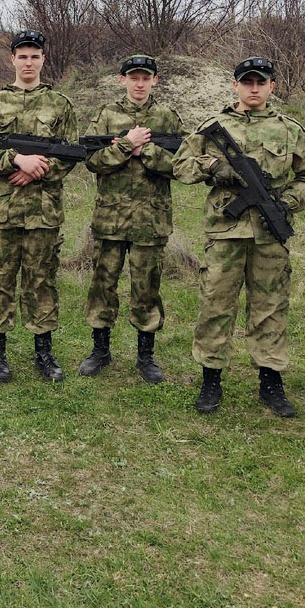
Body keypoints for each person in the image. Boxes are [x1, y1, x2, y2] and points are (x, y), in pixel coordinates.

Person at [173, 56, 305, 417]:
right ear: (236, 85)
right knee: (216, 304)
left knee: (270, 307)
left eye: (261, 82)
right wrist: (213, 167)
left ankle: (270, 382)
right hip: (225, 234)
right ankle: (211, 380)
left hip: (270, 235)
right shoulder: (214, 127)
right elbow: (179, 165)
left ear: (272, 87)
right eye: (247, 82)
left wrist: (289, 200)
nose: (254, 88)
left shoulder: (290, 130)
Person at [0, 29, 78, 383]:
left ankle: (44, 353)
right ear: (13, 60)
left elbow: (72, 153)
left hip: (43, 209)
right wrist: (15, 160)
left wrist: (38, 172)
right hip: (1, 210)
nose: (29, 62)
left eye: (35, 56)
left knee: (41, 279)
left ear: (43, 60)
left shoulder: (60, 105)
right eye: (23, 56)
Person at [78, 54, 185, 382]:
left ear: (155, 80)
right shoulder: (106, 115)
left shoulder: (167, 118)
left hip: (149, 221)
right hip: (110, 219)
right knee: (103, 284)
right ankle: (100, 350)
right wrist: (126, 145)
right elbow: (91, 160)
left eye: (146, 77)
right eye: (133, 77)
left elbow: (183, 164)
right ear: (121, 79)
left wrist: (146, 151)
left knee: (147, 286)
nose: (139, 83)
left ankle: (146, 356)